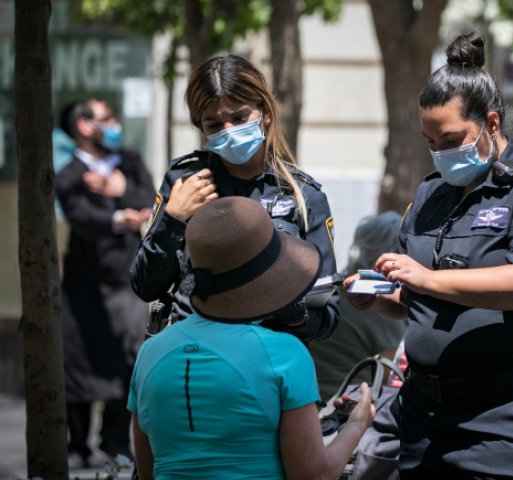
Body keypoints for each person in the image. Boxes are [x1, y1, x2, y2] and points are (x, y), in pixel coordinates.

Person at [344, 33, 513, 479]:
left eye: (451, 138)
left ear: (491, 124)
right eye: (430, 142)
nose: (439, 152)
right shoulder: (430, 194)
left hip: (510, 420)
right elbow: (416, 298)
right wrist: (378, 296)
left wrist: (426, 280)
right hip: (426, 420)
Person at [128, 196, 375, 479]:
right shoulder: (284, 354)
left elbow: (147, 472)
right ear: (271, 277)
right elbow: (313, 475)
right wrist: (357, 423)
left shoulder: (150, 354)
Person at [130, 54, 338, 341]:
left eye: (239, 118)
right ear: (201, 127)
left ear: (265, 113)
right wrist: (173, 220)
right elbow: (144, 285)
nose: (229, 131)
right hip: (192, 353)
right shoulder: (185, 181)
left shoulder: (303, 195)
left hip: (265, 359)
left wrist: (288, 307)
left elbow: (327, 316)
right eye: (214, 124)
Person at [56, 98, 155, 466]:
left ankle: (114, 443)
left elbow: (150, 197)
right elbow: (80, 216)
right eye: (106, 118)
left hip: (127, 280)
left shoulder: (128, 162)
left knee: (128, 360)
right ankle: (78, 445)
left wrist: (119, 191)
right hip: (85, 284)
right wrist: (118, 219)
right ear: (83, 126)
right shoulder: (68, 175)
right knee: (78, 364)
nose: (114, 124)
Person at [309, 210, 406, 399]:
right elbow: (393, 368)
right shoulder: (376, 301)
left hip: (311, 403)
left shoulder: (337, 290)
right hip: (347, 407)